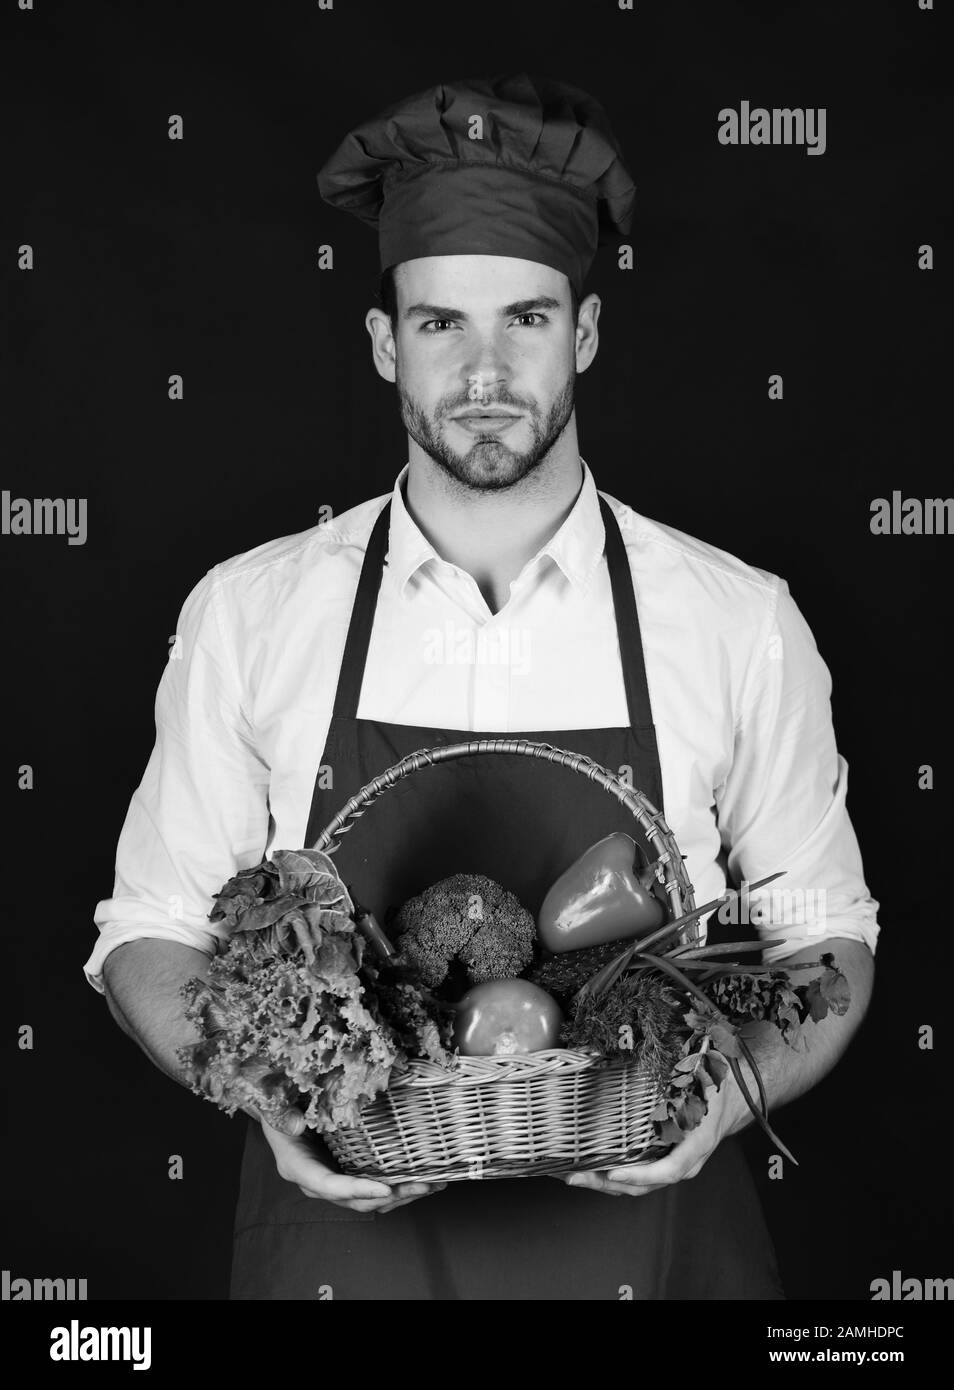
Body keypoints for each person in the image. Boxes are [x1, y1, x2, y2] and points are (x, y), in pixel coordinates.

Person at [87, 72, 878, 1300]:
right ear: (383, 341)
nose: (485, 370)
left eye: (527, 318)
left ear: (589, 333)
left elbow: (828, 936)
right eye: (441, 324)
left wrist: (725, 1098)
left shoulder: (738, 620)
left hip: (660, 1264)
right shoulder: (253, 611)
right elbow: (151, 931)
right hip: (340, 1264)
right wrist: (270, 1096)